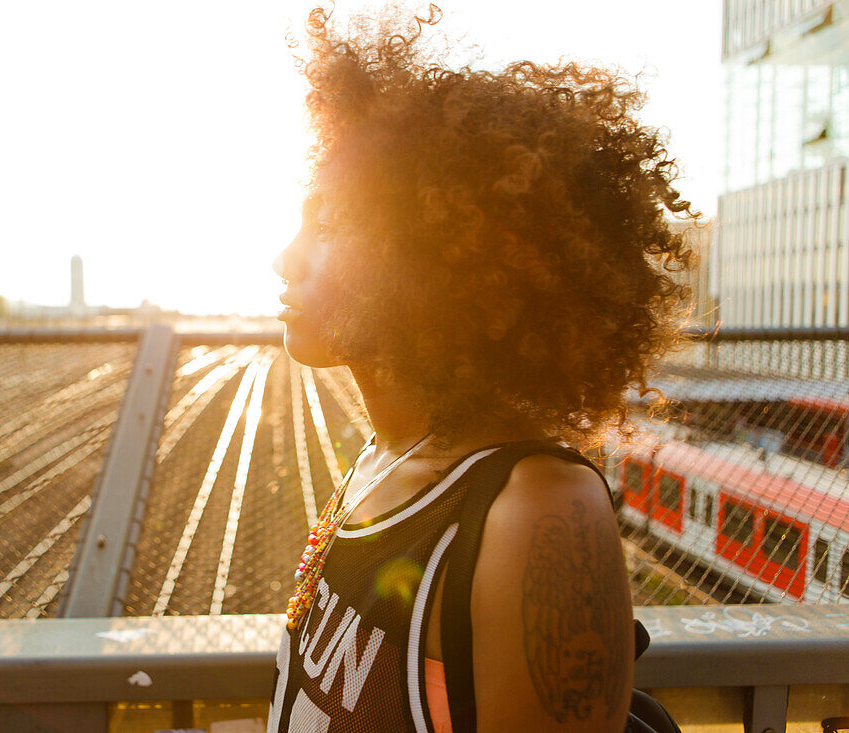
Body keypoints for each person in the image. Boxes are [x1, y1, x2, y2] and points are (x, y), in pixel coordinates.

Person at [266, 4, 698, 732]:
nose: (285, 257)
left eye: (331, 223)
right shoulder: (379, 458)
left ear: (432, 256)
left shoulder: (533, 511)